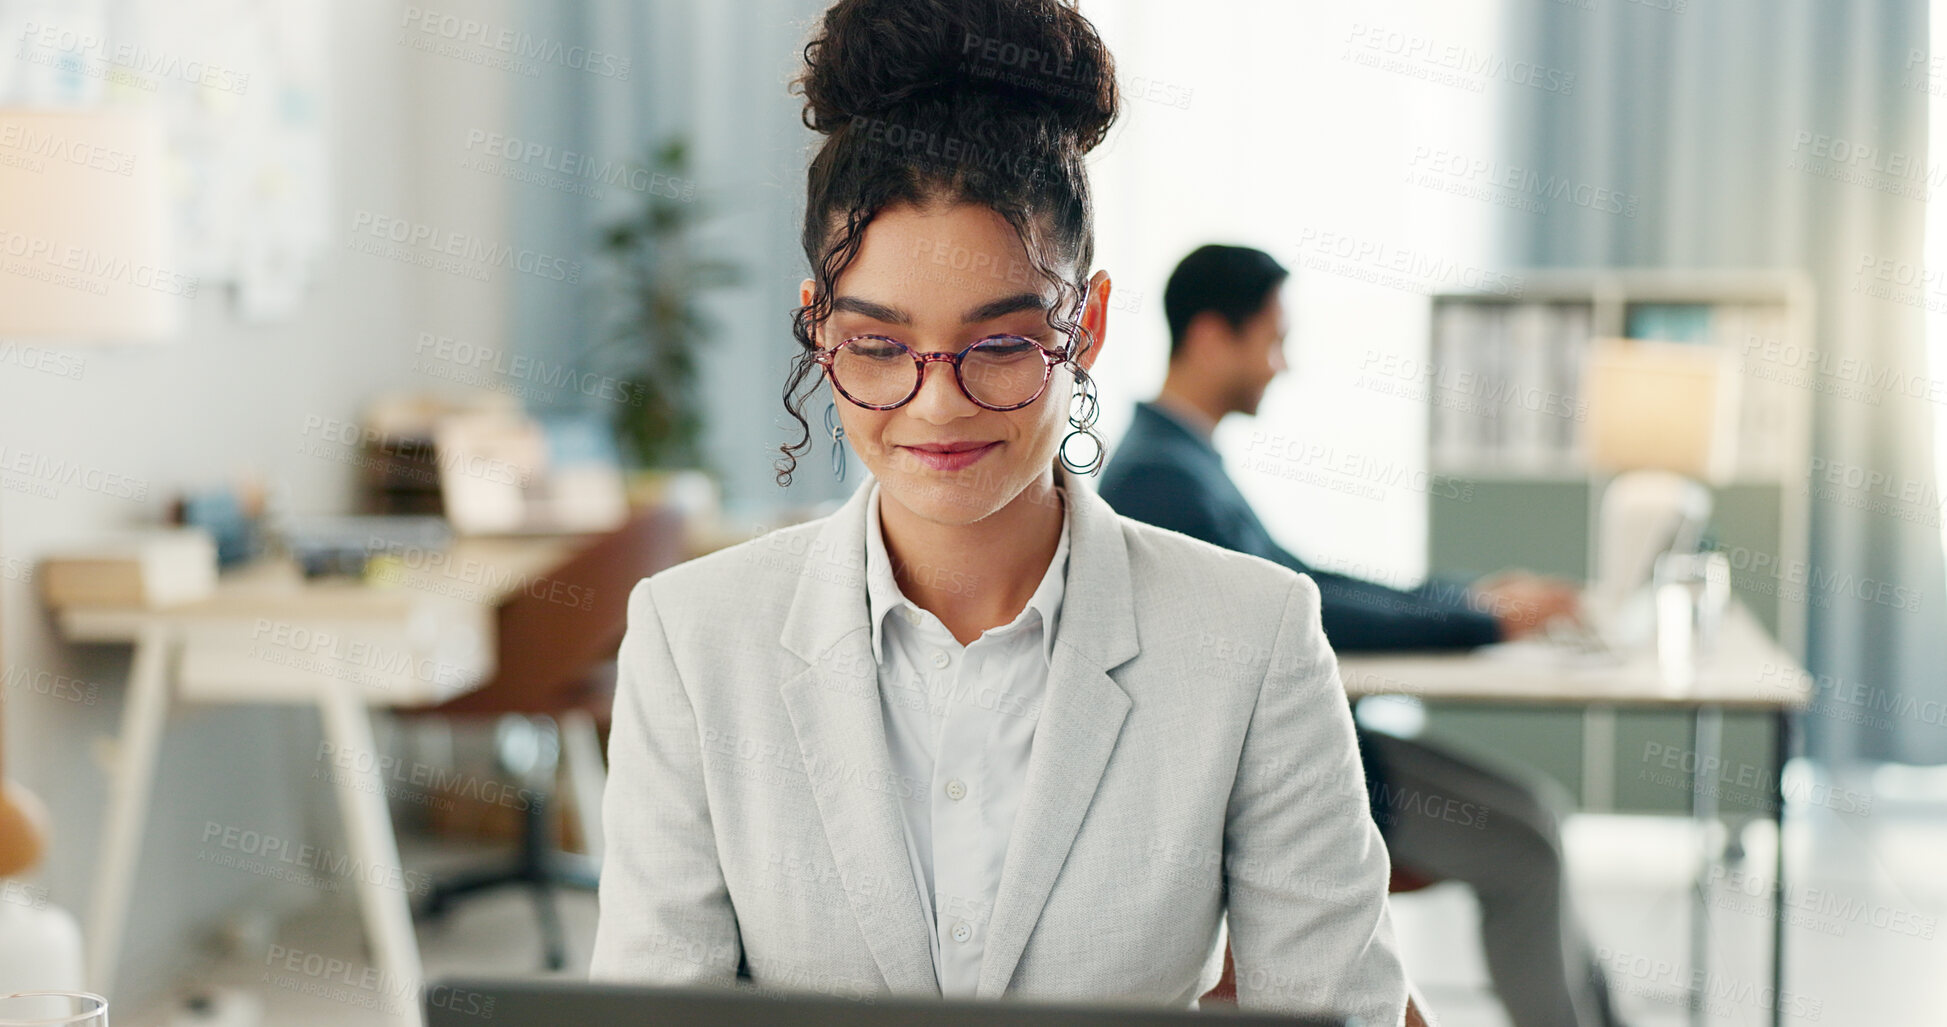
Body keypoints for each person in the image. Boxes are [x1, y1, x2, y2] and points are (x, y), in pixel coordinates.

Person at [591, 4, 1423, 1023]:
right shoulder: (694, 636)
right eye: (879, 345)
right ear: (818, 327)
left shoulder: (1252, 637)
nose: (936, 403)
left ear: (1090, 323)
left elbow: (1334, 1005)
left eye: (1000, 344)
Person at [1098, 243, 1628, 1027]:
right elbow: (1311, 609)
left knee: (1539, 811)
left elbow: (1302, 579)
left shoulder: (1183, 461)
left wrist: (1466, 598)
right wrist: (1478, 618)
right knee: (1529, 853)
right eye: (1272, 339)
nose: (1282, 364)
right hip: (1278, 777)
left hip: (1318, 745)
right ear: (1212, 336)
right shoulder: (1159, 481)